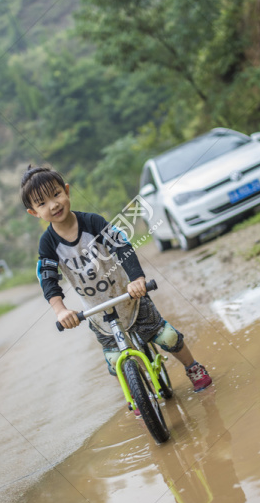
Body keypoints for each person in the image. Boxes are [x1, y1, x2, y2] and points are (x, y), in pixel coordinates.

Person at [21, 165, 212, 400]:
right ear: (34, 213)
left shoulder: (92, 222)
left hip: (129, 296)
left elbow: (122, 247)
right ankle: (138, 400)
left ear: (67, 191)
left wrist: (137, 279)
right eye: (42, 203)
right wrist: (60, 310)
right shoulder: (48, 244)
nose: (53, 205)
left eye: (56, 194)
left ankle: (192, 367)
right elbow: (49, 279)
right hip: (98, 312)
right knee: (116, 362)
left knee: (167, 337)